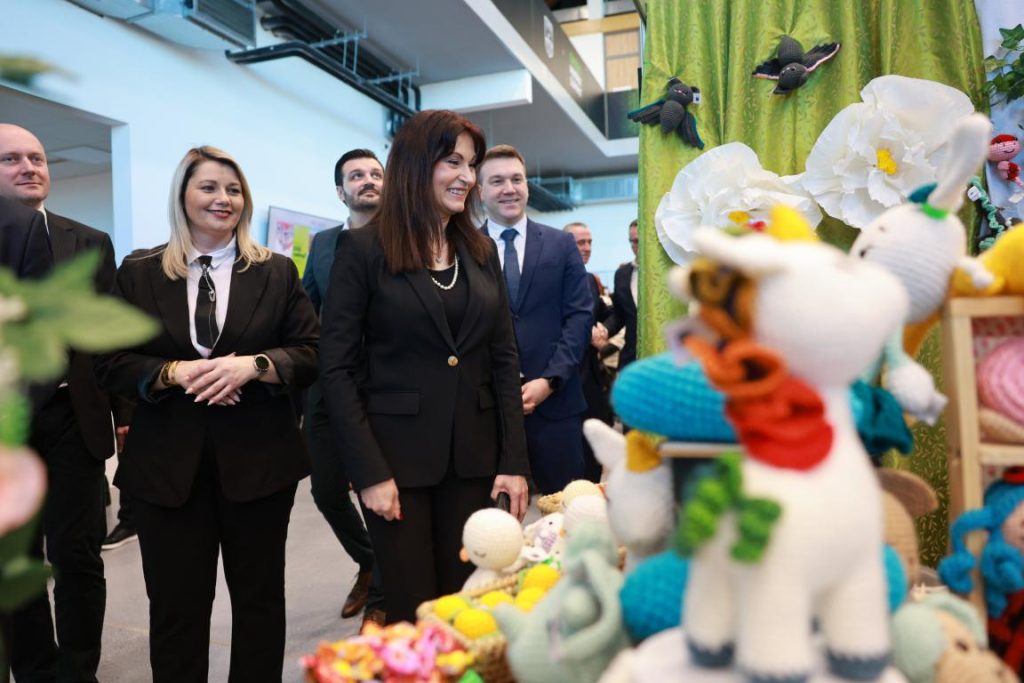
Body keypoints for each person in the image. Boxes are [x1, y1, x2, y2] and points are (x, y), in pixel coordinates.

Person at [94, 146, 319, 682]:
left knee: (260, 604)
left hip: (260, 465)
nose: (224, 199)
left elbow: (312, 352)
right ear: (183, 195)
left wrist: (254, 366)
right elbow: (108, 361)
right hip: (166, 468)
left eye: (234, 190)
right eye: (210, 187)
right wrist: (174, 372)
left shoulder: (276, 272)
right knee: (176, 609)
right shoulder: (140, 271)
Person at [320, 110, 529, 624]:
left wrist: (514, 460)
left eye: (471, 164)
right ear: (416, 164)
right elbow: (338, 368)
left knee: (469, 607)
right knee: (413, 613)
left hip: (475, 461)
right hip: (397, 467)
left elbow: (503, 359)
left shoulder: (480, 250)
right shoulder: (364, 249)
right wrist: (368, 472)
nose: (467, 176)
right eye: (453, 161)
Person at [0, 123, 123, 683]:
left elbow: (111, 336)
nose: (29, 167)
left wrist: (124, 417)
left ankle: (79, 672)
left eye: (37, 157)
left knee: (78, 557)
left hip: (74, 419)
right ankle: (36, 672)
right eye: (11, 159)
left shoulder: (89, 241)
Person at [478, 144, 591, 495]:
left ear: (527, 185)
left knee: (568, 509)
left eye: (516, 179)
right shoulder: (463, 249)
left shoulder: (561, 245)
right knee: (492, 520)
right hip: (487, 410)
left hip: (556, 404)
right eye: (497, 181)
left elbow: (579, 317)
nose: (509, 189)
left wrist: (549, 381)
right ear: (479, 191)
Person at [302, 148, 385, 626]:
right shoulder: (323, 244)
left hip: (387, 384)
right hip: (329, 382)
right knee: (327, 490)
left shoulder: (403, 238)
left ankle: (383, 599)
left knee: (383, 491)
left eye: (375, 173)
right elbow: (305, 310)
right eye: (356, 175)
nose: (368, 180)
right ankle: (370, 562)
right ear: (341, 191)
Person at [563, 221, 616, 482]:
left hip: (593, 379)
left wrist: (603, 328)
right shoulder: (551, 280)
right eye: (580, 243)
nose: (587, 248)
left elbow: (609, 313)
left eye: (589, 242)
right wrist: (587, 333)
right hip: (564, 379)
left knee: (594, 456)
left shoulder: (589, 280)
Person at [609, 218, 640, 370]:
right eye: (631, 241)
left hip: (666, 357)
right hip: (631, 359)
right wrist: (604, 330)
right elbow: (619, 316)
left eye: (638, 241)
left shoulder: (669, 272)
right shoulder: (622, 274)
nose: (634, 246)